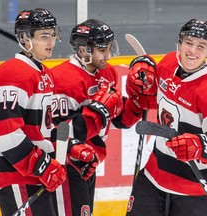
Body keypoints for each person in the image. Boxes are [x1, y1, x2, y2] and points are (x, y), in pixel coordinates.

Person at [125, 18, 207, 216]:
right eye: (189, 42)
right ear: (179, 42)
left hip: (198, 187)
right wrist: (142, 82)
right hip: (156, 174)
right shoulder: (168, 64)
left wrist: (200, 146)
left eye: (201, 46)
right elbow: (153, 101)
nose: (192, 51)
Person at [51, 19, 157, 216]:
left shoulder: (107, 72)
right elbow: (58, 134)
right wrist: (99, 111)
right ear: (83, 50)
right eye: (102, 49)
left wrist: (138, 100)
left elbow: (118, 118)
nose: (107, 55)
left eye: (109, 48)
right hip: (68, 165)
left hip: (91, 160)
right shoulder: (61, 79)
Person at [0, 8, 66, 216]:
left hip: (29, 171)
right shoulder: (13, 72)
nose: (51, 41)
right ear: (25, 38)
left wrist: (70, 148)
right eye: (44, 36)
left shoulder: (45, 73)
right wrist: (42, 165)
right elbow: (6, 132)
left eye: (52, 35)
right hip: (13, 171)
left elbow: (40, 128)